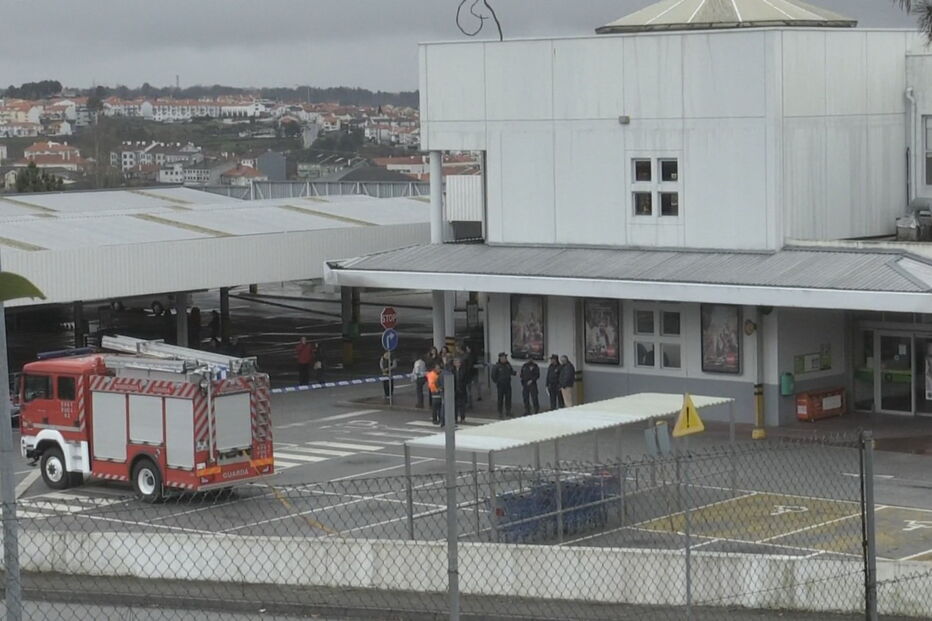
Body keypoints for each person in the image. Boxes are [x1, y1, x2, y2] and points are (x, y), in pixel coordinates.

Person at [490, 352, 516, 419]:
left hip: (508, 384)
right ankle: (500, 412)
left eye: (505, 357)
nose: (505, 359)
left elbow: (511, 371)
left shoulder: (508, 365)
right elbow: (493, 376)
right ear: (500, 358)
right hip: (500, 385)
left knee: (508, 398)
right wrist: (497, 382)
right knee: (500, 399)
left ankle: (508, 411)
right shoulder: (497, 366)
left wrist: (515, 373)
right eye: (504, 357)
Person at [452, 357, 468, 423]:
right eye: (455, 362)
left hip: (462, 389)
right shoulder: (452, 370)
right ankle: (455, 418)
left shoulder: (463, 370)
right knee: (455, 405)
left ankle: (462, 418)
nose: (457, 364)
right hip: (454, 389)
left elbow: (466, 379)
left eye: (458, 362)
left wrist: (463, 385)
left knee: (462, 404)